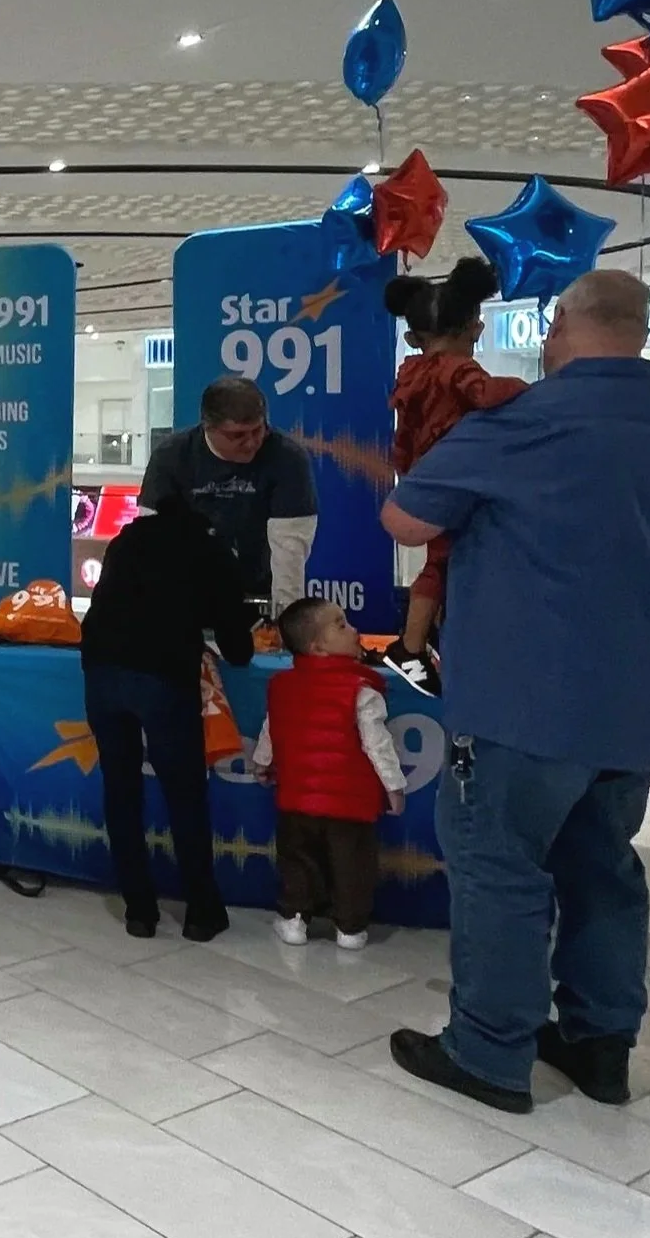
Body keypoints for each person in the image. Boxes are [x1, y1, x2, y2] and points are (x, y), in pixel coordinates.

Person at [380, 270, 650, 1113]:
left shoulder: (521, 424)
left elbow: (406, 519)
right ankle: (600, 1041)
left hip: (523, 705)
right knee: (604, 869)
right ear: (642, 333)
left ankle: (489, 1051)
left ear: (559, 329)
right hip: (645, 709)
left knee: (501, 870)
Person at [79, 494, 258, 940]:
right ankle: (201, 910)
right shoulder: (211, 549)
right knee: (184, 794)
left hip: (102, 670)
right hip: (161, 677)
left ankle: (139, 911)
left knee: (120, 789)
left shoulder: (126, 540)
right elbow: (238, 648)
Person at [380, 257, 526, 692]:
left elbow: (405, 434)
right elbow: (484, 395)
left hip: (424, 478)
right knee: (444, 561)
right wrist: (527, 389)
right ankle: (411, 645)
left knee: (439, 558)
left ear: (412, 335)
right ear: (470, 327)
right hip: (457, 479)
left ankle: (421, 642)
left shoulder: (412, 371)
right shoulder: (457, 369)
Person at [252, 596, 406, 951]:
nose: (353, 629)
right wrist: (394, 788)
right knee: (352, 867)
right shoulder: (361, 689)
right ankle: (350, 928)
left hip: (295, 799)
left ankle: (293, 920)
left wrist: (262, 764)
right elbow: (377, 745)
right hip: (350, 806)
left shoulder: (281, 686)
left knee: (297, 861)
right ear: (317, 646)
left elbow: (271, 730)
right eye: (341, 624)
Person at [140, 374, 317, 613]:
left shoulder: (287, 457)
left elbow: (290, 547)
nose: (252, 442)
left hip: (260, 591)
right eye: (238, 435)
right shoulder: (171, 457)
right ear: (208, 427)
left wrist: (287, 620)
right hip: (187, 593)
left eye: (258, 430)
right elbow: (150, 542)